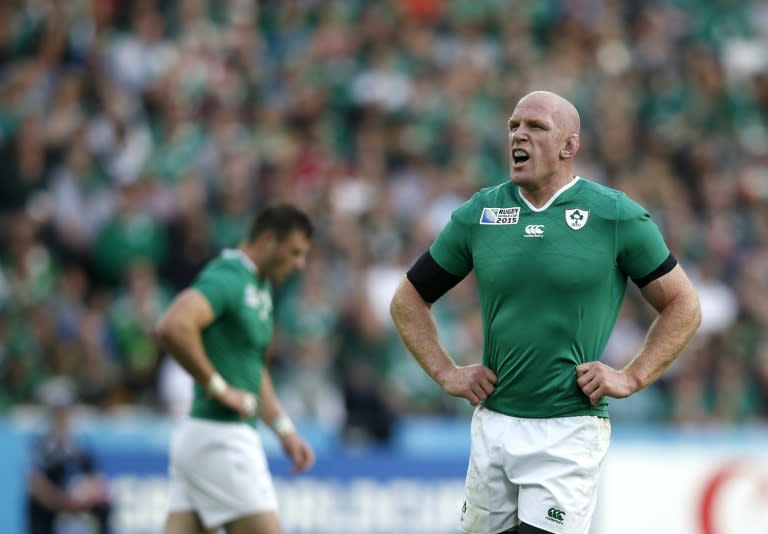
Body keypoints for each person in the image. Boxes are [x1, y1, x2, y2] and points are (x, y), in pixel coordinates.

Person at [389, 90, 702, 534]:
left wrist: (633, 376)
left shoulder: (614, 216)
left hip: (567, 429)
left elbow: (683, 304)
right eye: (514, 126)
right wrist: (445, 372)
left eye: (536, 127)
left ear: (569, 146)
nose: (520, 135)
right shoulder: (481, 214)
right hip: (493, 424)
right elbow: (408, 299)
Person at [155, 203, 316, 534]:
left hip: (202, 437)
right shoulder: (229, 277)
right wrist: (217, 386)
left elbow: (253, 368)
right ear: (268, 240)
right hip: (223, 438)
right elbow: (173, 326)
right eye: (295, 252)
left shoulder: (260, 287)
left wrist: (284, 430)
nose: (301, 264)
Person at [27, 386, 111, 534]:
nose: (62, 418)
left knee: (104, 506)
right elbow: (36, 483)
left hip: (77, 498)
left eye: (65, 413)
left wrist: (84, 498)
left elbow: (97, 479)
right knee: (34, 505)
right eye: (58, 413)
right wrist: (60, 501)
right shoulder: (41, 446)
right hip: (53, 501)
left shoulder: (79, 444)